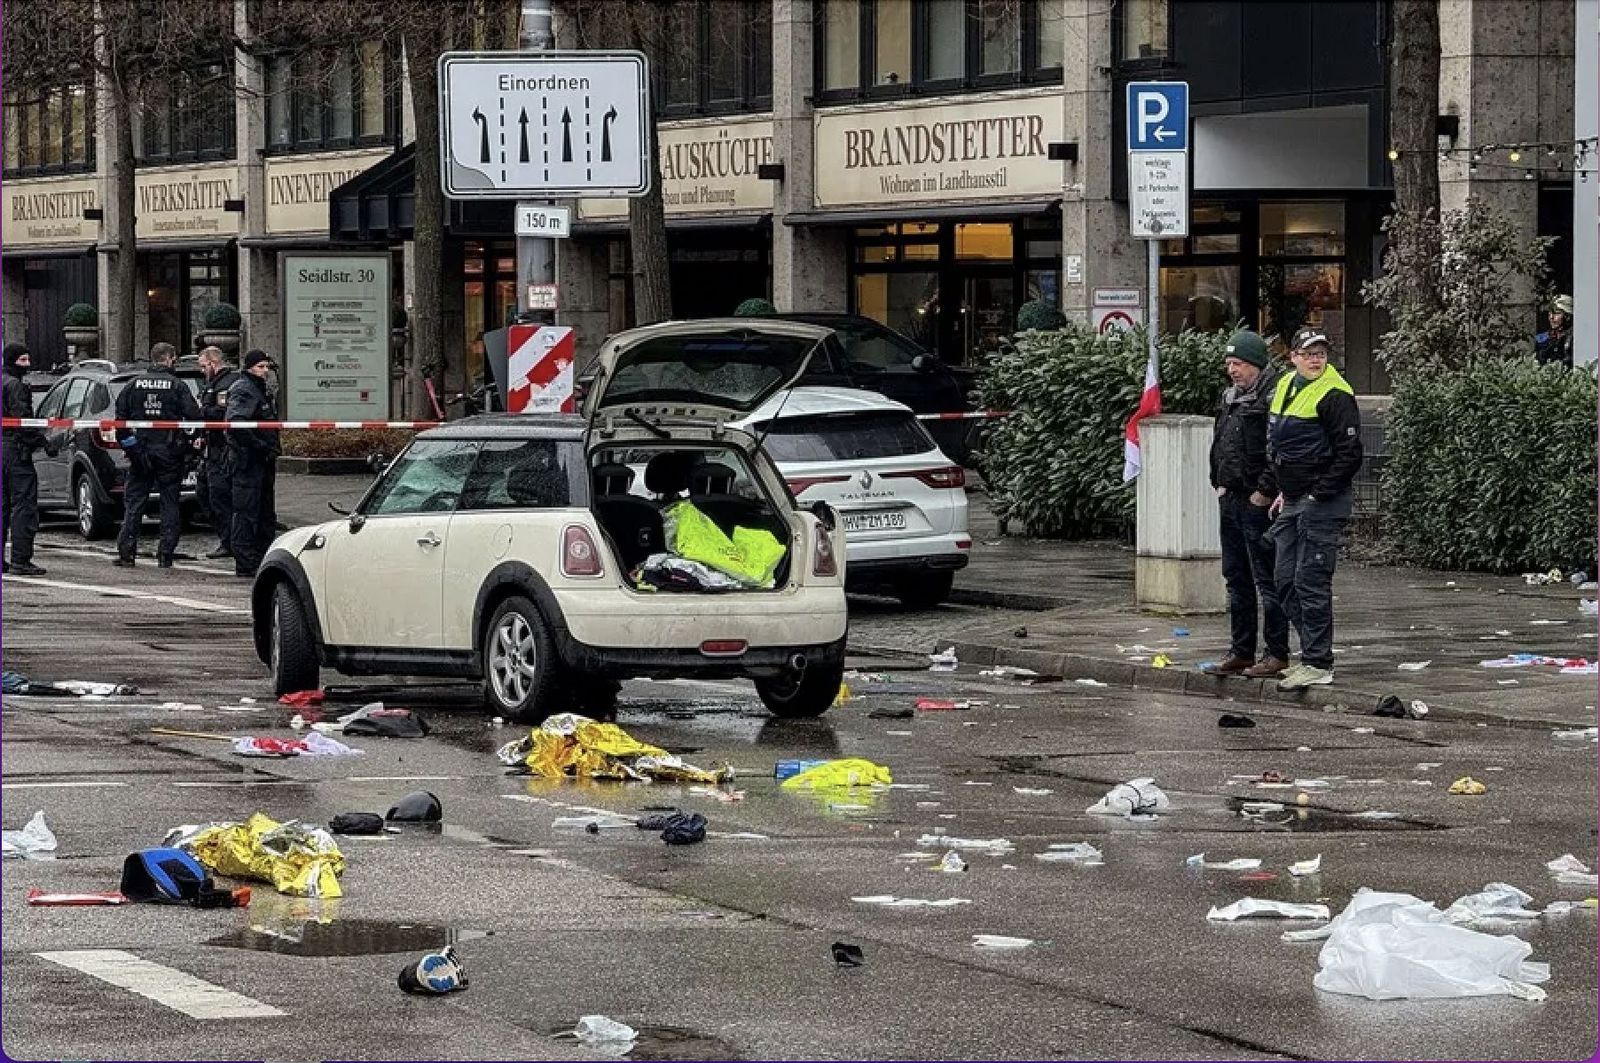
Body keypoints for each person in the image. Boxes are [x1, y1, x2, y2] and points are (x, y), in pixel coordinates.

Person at [1264, 328, 1363, 691]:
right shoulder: (1287, 386)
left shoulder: (1335, 394)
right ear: (1293, 356)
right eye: (1308, 353)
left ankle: (1319, 662)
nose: (1315, 359)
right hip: (1293, 499)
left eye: (1320, 353)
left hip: (1321, 502)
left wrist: (1317, 494)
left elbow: (1350, 454)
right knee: (1284, 580)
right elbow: (1279, 443)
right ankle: (1310, 654)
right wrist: (1280, 488)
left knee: (1310, 581)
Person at [1203, 330, 1289, 679]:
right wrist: (1218, 483)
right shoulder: (1231, 398)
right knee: (1235, 577)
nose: (1232, 370)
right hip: (1231, 497)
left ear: (1255, 364)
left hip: (1258, 502)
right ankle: (1241, 651)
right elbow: (1222, 442)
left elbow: (1278, 447)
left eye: (1237, 363)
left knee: (1267, 579)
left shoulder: (1272, 397)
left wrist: (1263, 492)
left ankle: (1276, 653)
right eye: (1229, 364)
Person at [114, 342, 204, 568]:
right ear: (170, 358)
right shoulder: (177, 386)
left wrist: (132, 449)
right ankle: (166, 554)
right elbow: (194, 418)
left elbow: (120, 423)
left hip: (140, 451)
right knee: (170, 503)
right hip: (169, 452)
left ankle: (127, 552)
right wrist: (189, 445)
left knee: (134, 503)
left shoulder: (133, 385)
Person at [227, 349, 281, 578]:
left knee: (264, 512)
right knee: (247, 511)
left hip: (262, 461)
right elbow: (237, 424)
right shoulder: (244, 389)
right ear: (249, 367)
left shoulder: (259, 388)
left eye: (267, 367)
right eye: (260, 367)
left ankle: (259, 556)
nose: (265, 371)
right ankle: (246, 560)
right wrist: (259, 446)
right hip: (248, 461)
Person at [2, 342, 52, 576]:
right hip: (15, 451)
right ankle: (20, 559)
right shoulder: (15, 386)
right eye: (22, 360)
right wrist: (43, 442)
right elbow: (23, 422)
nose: (28, 364)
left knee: (4, 506)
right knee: (24, 506)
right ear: (12, 360)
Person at [195, 346, 240, 560]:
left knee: (220, 496)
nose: (202, 371)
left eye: (204, 366)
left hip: (224, 448)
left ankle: (230, 541)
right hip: (211, 447)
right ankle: (227, 539)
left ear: (213, 363)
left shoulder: (227, 383)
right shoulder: (212, 383)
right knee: (206, 494)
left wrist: (200, 412)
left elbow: (223, 414)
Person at [1536, 294, 1573, 367]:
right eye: (1549, 313)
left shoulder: (1573, 338)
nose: (1551, 317)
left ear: (1568, 316)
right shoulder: (1544, 338)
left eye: (1556, 313)